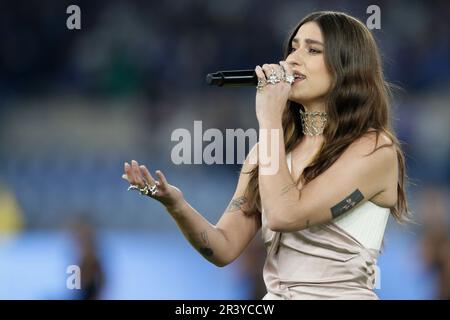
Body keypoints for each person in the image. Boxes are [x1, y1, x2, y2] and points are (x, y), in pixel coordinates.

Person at [122, 11, 409, 299]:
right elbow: (223, 247)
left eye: (312, 50)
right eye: (293, 47)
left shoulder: (374, 149)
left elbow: (286, 214)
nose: (292, 59)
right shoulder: (269, 151)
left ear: (347, 66)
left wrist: (270, 116)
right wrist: (176, 205)